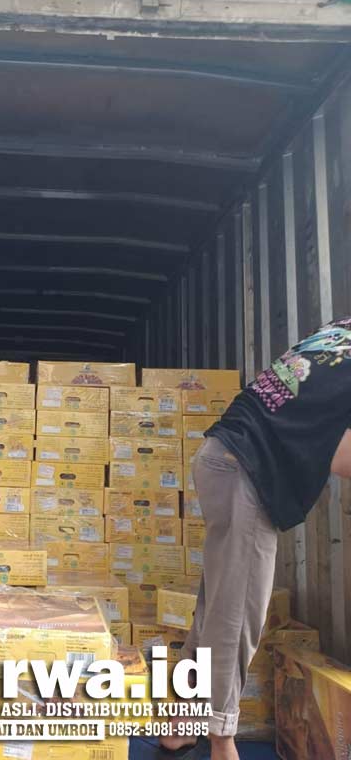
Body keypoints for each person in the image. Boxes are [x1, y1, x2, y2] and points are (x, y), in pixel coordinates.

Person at [157, 319, 351, 760]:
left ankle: (181, 724)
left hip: (223, 456)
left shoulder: (338, 335)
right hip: (244, 468)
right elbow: (339, 456)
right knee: (237, 610)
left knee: (217, 604)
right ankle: (221, 740)